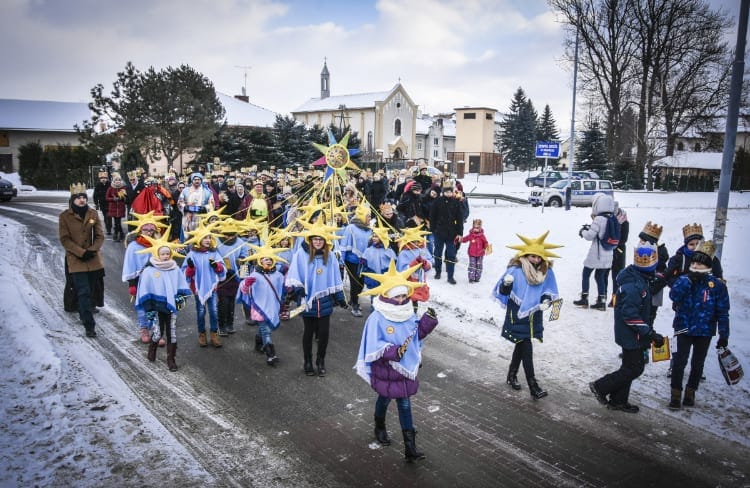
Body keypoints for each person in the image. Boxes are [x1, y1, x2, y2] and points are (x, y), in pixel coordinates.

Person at [354, 261, 439, 461]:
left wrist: (427, 322)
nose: (401, 300)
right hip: (385, 367)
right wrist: (392, 351)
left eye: (403, 295)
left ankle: (410, 447)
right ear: (387, 295)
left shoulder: (408, 312)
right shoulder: (377, 317)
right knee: (384, 399)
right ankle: (379, 426)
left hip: (404, 368)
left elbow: (415, 336)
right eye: (397, 296)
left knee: (405, 404)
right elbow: (374, 344)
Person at [589, 241, 665, 413]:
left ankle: (618, 400)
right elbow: (630, 315)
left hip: (632, 334)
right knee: (634, 368)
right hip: (631, 335)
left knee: (629, 367)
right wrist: (650, 333)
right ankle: (601, 386)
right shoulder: (634, 285)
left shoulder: (640, 278)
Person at [493, 232, 561, 399]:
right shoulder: (515, 270)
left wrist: (546, 300)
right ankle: (533, 385)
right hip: (517, 313)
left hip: (534, 314)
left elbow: (548, 290)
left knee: (522, 344)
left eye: (539, 257)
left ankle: (512, 375)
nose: (536, 260)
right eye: (533, 256)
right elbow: (504, 292)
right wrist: (506, 284)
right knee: (526, 346)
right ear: (525, 255)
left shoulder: (547, 271)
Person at [667, 240, 730, 410]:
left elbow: (723, 312)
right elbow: (674, 296)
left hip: (704, 330)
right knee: (679, 361)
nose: (695, 265)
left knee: (698, 363)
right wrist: (688, 281)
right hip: (683, 327)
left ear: (707, 266)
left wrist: (724, 335)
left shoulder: (717, 286)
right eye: (693, 262)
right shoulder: (683, 279)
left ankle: (690, 392)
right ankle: (675, 393)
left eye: (699, 263)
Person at [285, 220, 348, 376]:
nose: (318, 242)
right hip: (307, 300)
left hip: (324, 301)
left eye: (321, 239)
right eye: (315, 239)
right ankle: (308, 361)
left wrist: (340, 298)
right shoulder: (301, 254)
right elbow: (295, 272)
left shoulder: (331, 256)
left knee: (324, 334)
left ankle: (321, 361)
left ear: (324, 241)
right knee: (308, 331)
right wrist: (298, 288)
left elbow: (334, 279)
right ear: (310, 240)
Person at [135, 233, 191, 371]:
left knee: (172, 333)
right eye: (163, 253)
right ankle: (152, 348)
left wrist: (180, 300)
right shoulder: (149, 270)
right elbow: (144, 289)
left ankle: (171, 359)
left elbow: (182, 286)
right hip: (156, 307)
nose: (166, 256)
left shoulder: (175, 269)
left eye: (168, 253)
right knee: (158, 333)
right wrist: (148, 308)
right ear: (157, 254)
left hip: (171, 307)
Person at [59, 183, 105, 338]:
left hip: (92, 259)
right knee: (83, 292)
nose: (81, 200)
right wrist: (80, 252)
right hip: (76, 259)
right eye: (78, 198)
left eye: (84, 197)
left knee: (91, 291)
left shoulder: (93, 214)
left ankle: (84, 311)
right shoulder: (65, 216)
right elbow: (65, 239)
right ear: (73, 200)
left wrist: (92, 250)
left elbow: (100, 235)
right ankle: (89, 325)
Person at [238, 246, 288, 366]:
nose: (269, 261)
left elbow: (284, 287)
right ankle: (271, 355)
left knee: (264, 329)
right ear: (260, 260)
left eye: (270, 259)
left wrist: (289, 282)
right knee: (266, 331)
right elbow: (244, 290)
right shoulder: (254, 275)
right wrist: (246, 284)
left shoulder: (277, 275)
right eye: (266, 259)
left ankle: (258, 343)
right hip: (259, 308)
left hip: (272, 307)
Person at [122, 213, 168, 343]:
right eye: (145, 229)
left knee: (157, 306)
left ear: (155, 231)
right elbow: (130, 265)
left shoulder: (158, 245)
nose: (148, 232)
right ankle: (144, 329)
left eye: (151, 230)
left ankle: (157, 331)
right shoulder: (133, 246)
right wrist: (131, 284)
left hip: (156, 280)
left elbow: (165, 259)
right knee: (143, 307)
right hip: (139, 281)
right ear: (140, 229)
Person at [183, 224, 226, 348]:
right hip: (198, 288)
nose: (207, 240)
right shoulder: (192, 254)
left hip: (212, 288)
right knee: (201, 312)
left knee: (213, 311)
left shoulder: (214, 253)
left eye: (209, 237)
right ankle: (201, 334)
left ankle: (214, 334)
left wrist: (216, 266)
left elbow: (221, 269)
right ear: (199, 239)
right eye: (205, 238)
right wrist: (190, 268)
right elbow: (185, 272)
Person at [573, 193, 616, 310]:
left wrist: (582, 231)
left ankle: (584, 298)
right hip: (608, 252)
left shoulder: (599, 219)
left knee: (586, 273)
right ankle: (602, 301)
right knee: (600, 276)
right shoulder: (613, 218)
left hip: (597, 253)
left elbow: (589, 236)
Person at [340, 202, 373, 317]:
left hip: (364, 262)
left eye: (370, 216)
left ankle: (353, 300)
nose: (370, 218)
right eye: (368, 216)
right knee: (355, 283)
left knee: (361, 283)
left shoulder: (369, 230)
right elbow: (344, 244)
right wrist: (341, 261)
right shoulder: (351, 228)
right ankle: (354, 304)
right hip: (352, 260)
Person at [428, 180, 464, 284]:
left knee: (451, 254)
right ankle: (438, 272)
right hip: (439, 232)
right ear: (443, 192)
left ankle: (450, 276)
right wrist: (433, 229)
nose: (448, 194)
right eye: (446, 192)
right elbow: (432, 216)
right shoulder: (437, 201)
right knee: (438, 252)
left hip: (451, 233)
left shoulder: (456, 203)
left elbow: (460, 219)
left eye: (450, 192)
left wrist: (459, 233)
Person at [608, 202, 629, 307]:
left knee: (616, 278)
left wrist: (613, 241)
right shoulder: (609, 219)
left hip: (619, 252)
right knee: (604, 276)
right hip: (608, 251)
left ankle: (615, 300)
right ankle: (602, 298)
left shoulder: (624, 221)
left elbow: (624, 239)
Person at [461, 218, 490, 283]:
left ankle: (477, 277)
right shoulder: (471, 235)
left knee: (479, 265)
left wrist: (487, 247)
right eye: (475, 227)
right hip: (472, 254)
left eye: (477, 228)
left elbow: (485, 242)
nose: (476, 229)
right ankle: (471, 278)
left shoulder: (482, 236)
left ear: (480, 228)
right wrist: (460, 239)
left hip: (480, 254)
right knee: (472, 265)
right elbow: (465, 239)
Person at [105, 173, 127, 242]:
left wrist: (122, 197)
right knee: (116, 222)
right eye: (116, 180)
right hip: (113, 208)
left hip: (120, 208)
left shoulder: (123, 188)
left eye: (119, 180)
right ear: (114, 181)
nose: (117, 181)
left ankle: (117, 234)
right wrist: (113, 199)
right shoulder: (110, 188)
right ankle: (119, 234)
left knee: (118, 222)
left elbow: (125, 198)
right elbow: (107, 198)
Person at [93, 171, 112, 236]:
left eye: (105, 178)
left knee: (109, 216)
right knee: (105, 216)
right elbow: (95, 195)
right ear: (100, 179)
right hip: (102, 203)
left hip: (110, 203)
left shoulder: (110, 184)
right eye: (102, 178)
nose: (103, 179)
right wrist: (96, 203)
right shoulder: (98, 185)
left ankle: (109, 228)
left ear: (107, 178)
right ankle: (108, 227)